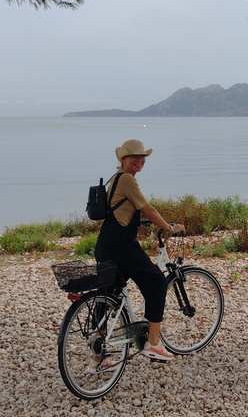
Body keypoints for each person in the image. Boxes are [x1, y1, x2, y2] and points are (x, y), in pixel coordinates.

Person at [94, 139, 184, 363]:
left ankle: (100, 351)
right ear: (123, 160)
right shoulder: (127, 180)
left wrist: (141, 223)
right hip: (122, 246)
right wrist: (167, 227)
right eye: (134, 160)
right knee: (156, 283)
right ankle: (153, 345)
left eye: (142, 160)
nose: (139, 164)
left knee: (109, 295)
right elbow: (147, 207)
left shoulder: (115, 179)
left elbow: (124, 210)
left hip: (105, 244)